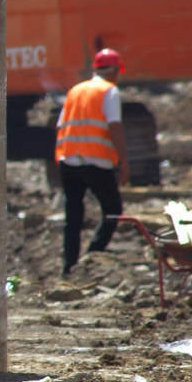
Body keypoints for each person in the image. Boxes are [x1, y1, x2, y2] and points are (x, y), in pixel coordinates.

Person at [55, 47, 129, 276]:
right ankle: (92, 255)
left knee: (73, 216)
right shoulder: (110, 91)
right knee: (113, 210)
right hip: (97, 161)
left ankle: (69, 266)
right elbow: (114, 126)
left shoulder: (75, 90)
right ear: (115, 70)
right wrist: (123, 162)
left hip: (69, 160)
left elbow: (60, 126)